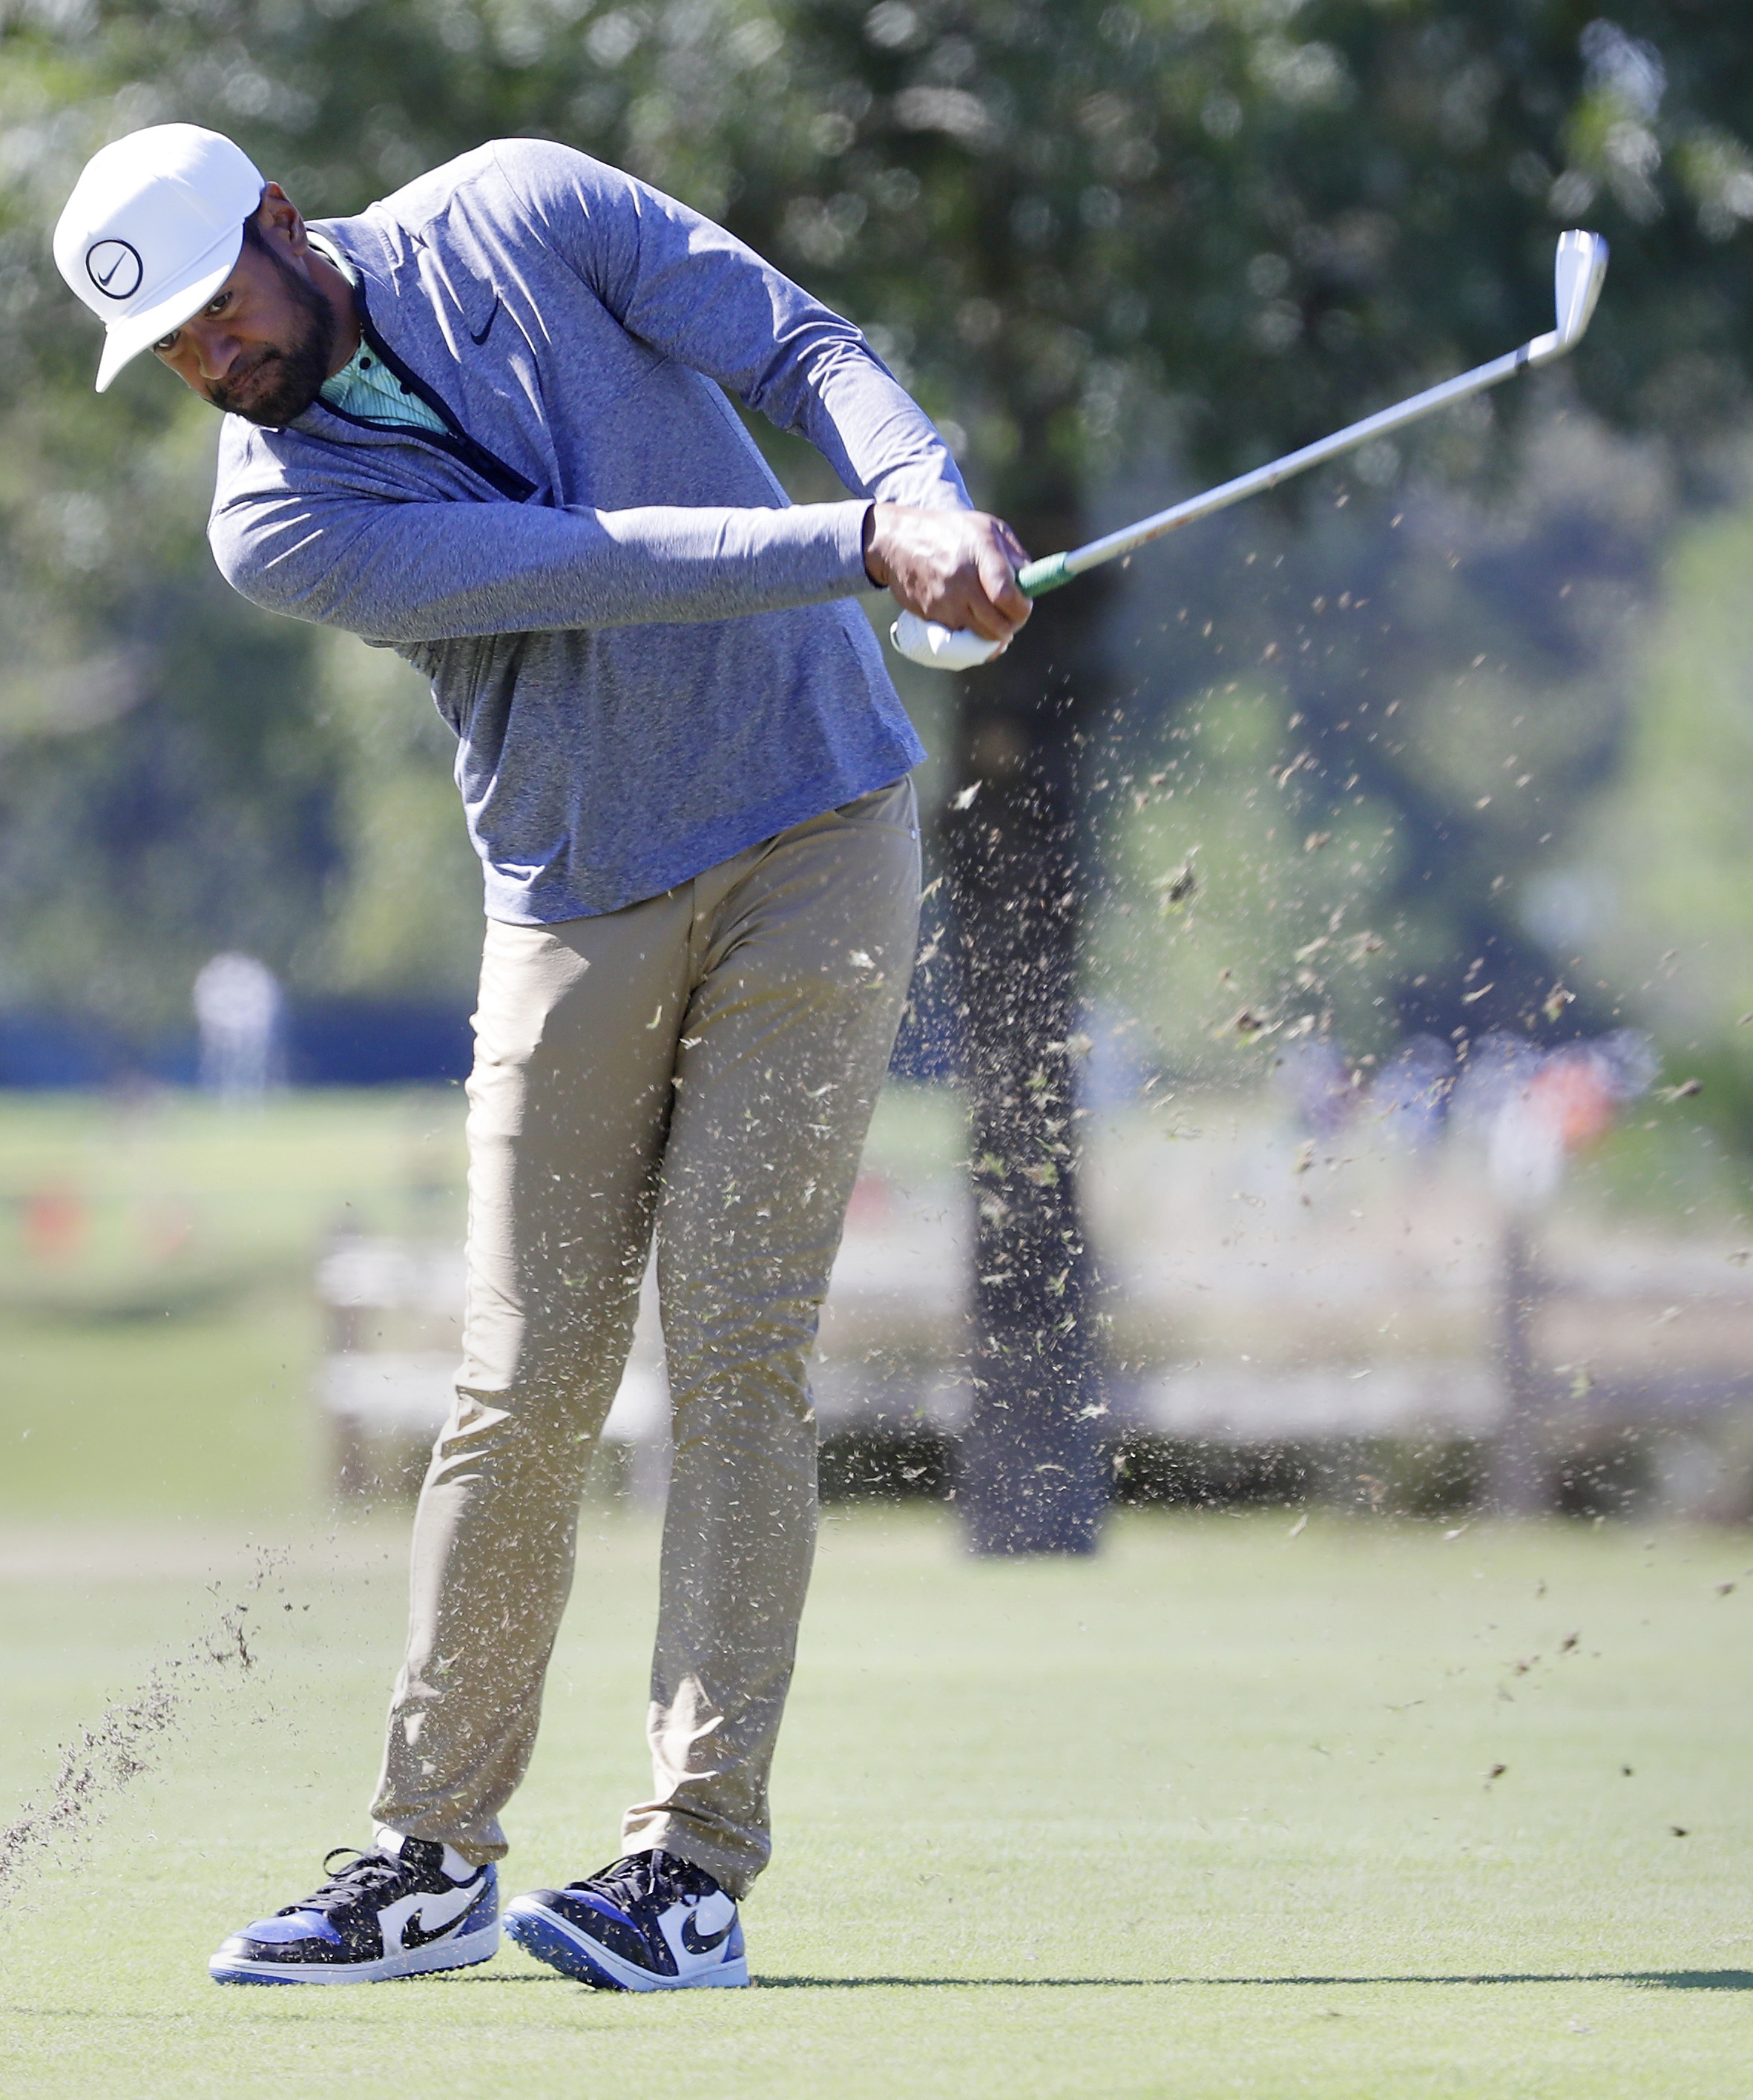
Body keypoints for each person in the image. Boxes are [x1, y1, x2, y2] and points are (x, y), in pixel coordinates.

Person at [51, 122, 1030, 1993]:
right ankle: (428, 1856)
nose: (209, 363)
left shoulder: (524, 204)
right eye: (167, 349)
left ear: (280, 223)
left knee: (739, 1349)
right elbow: (591, 563)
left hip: (821, 830)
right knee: (520, 1381)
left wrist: (918, 481)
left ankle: (692, 1863)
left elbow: (799, 347)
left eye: (214, 311)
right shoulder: (275, 517)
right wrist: (858, 541)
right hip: (573, 896)